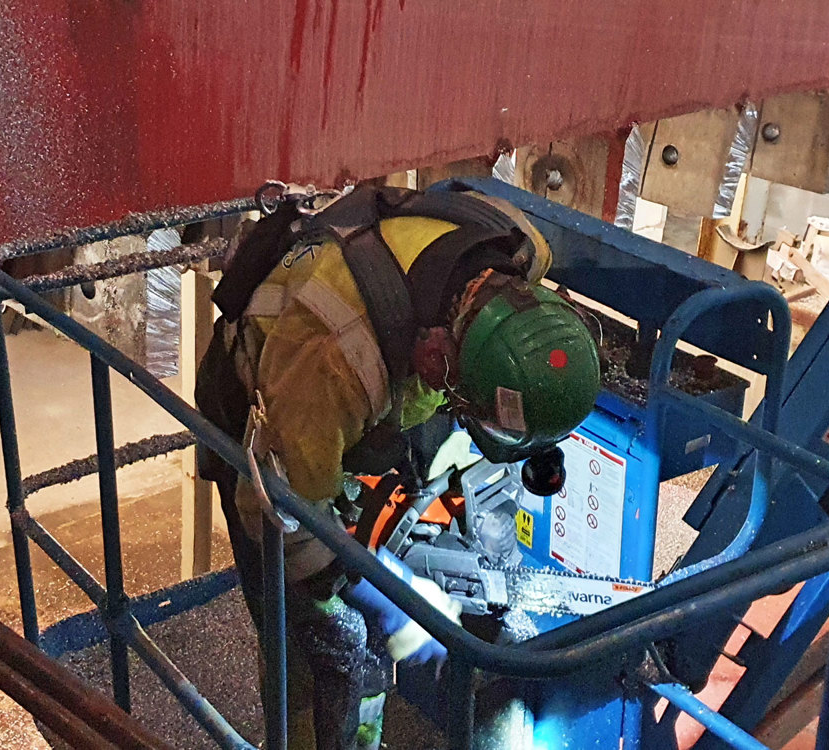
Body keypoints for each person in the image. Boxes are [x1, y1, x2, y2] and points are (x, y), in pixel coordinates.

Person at [195, 182, 600, 749]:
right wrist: (392, 599)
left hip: (371, 384)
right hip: (262, 416)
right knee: (330, 642)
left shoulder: (521, 252)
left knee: (387, 500)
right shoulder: (338, 358)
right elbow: (279, 517)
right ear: (438, 358)